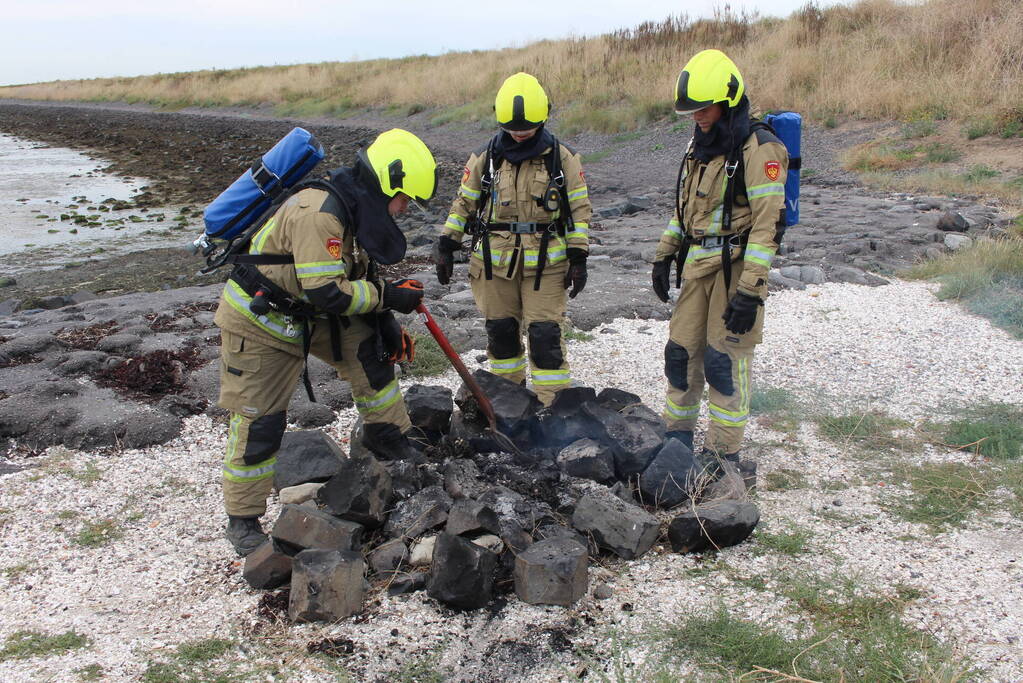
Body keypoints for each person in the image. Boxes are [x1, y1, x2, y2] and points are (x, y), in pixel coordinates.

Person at [213, 128, 436, 556]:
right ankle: (242, 519)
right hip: (261, 321)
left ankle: (388, 437)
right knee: (260, 422)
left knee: (372, 356)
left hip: (310, 314)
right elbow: (329, 292)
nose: (406, 209)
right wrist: (389, 297)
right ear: (387, 183)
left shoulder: (356, 207)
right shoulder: (319, 214)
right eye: (405, 199)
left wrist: (385, 321)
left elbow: (356, 276)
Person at [652, 49, 788, 461]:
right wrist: (664, 254)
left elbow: (768, 225)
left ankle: (722, 455)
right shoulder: (701, 144)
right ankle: (676, 440)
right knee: (680, 354)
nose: (697, 116)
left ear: (728, 101)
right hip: (698, 267)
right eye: (691, 110)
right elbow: (686, 209)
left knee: (723, 363)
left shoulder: (759, 148)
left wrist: (750, 290)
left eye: (704, 108)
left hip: (734, 270)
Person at [433, 72, 591, 406]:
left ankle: (553, 407)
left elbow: (579, 209)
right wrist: (446, 243)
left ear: (543, 117)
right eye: (513, 128)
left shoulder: (562, 158)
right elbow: (463, 203)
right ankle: (509, 405)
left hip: (547, 266)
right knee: (501, 335)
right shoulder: (486, 157)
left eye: (527, 128)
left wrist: (578, 257)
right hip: (494, 264)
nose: (519, 134)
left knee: (545, 337)